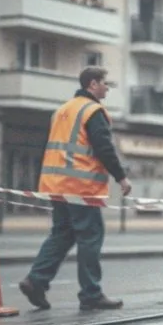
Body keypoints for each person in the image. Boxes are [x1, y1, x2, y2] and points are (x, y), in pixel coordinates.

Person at [19, 67, 132, 311]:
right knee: (91, 236)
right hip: (80, 187)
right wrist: (121, 177)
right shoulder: (93, 111)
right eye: (105, 83)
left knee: (62, 233)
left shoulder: (63, 109)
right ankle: (91, 294)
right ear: (93, 84)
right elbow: (103, 146)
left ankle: (35, 281)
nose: (107, 88)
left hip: (56, 184)